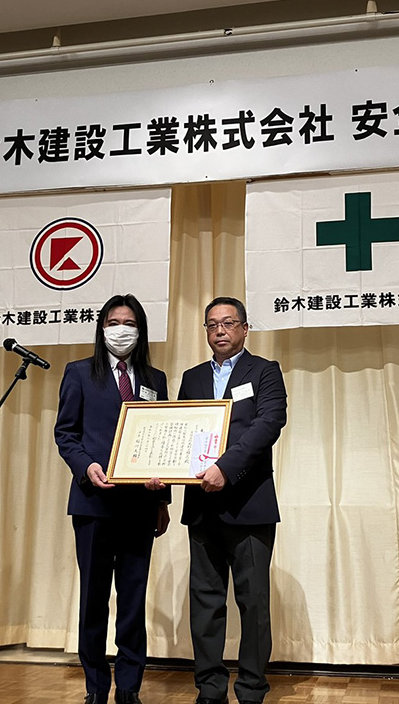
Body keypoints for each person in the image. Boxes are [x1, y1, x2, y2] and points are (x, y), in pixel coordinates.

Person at [55, 294, 170, 704]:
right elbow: (65, 434)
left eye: (130, 323)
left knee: (133, 601)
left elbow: (163, 438)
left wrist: (163, 500)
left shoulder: (155, 378)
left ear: (141, 330)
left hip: (140, 507)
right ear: (102, 328)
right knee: (94, 599)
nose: (122, 330)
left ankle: (129, 686)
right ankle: (95, 686)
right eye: (114, 322)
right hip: (94, 504)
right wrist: (86, 466)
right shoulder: (79, 372)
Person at [178, 296, 288, 704]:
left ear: (244, 328)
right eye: (212, 324)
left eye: (228, 322)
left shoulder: (264, 371)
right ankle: (209, 690)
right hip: (201, 506)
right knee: (205, 604)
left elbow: (268, 423)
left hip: (249, 505)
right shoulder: (192, 377)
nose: (219, 330)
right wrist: (160, 472)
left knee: (253, 603)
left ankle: (252, 690)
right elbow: (179, 430)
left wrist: (226, 468)